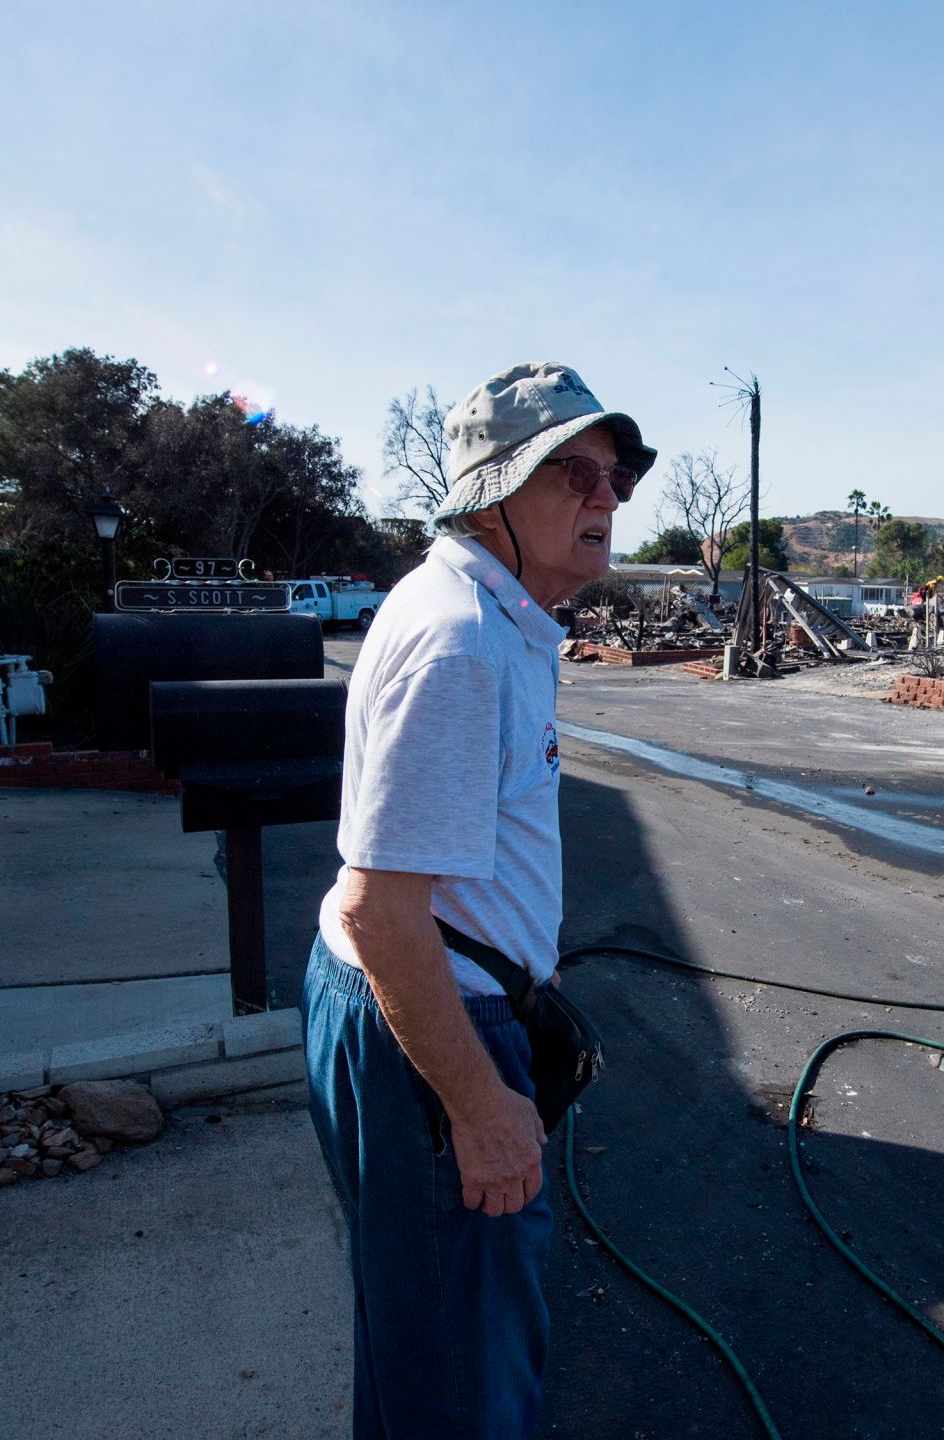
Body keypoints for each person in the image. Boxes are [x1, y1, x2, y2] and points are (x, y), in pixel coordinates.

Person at [303, 362, 651, 1439]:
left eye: (618, 479)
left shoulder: (491, 619)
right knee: (463, 1374)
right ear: (494, 489)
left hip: (437, 1002)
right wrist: (479, 1105)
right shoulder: (460, 645)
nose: (608, 501)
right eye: (576, 475)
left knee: (435, 1343)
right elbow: (379, 910)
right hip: (436, 1019)